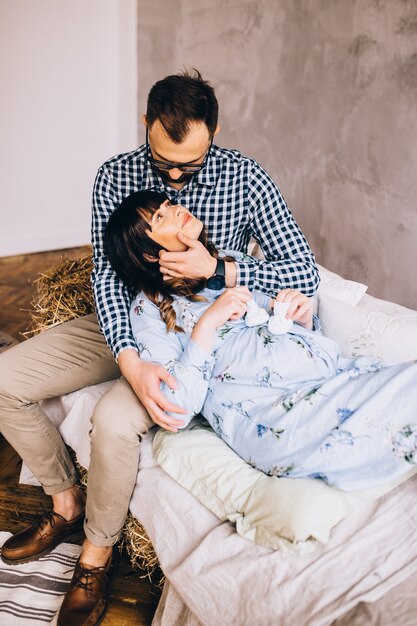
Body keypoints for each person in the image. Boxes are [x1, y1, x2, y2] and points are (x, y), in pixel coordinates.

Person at [0, 70, 319, 626]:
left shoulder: (245, 178)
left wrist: (218, 269)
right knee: (5, 382)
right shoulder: (114, 174)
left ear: (214, 132)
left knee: (116, 421)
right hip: (127, 321)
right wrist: (129, 359)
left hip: (194, 333)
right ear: (145, 125)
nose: (173, 177)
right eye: (164, 159)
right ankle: (65, 502)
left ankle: (94, 559)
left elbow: (303, 271)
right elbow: (105, 277)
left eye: (189, 165)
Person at [106, 190, 417, 492]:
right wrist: (209, 321)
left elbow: (291, 320)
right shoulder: (149, 310)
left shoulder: (233, 263)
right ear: (149, 253)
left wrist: (301, 319)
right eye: (161, 217)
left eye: (169, 203)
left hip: (335, 378)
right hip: (278, 415)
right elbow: (176, 408)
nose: (176, 209)